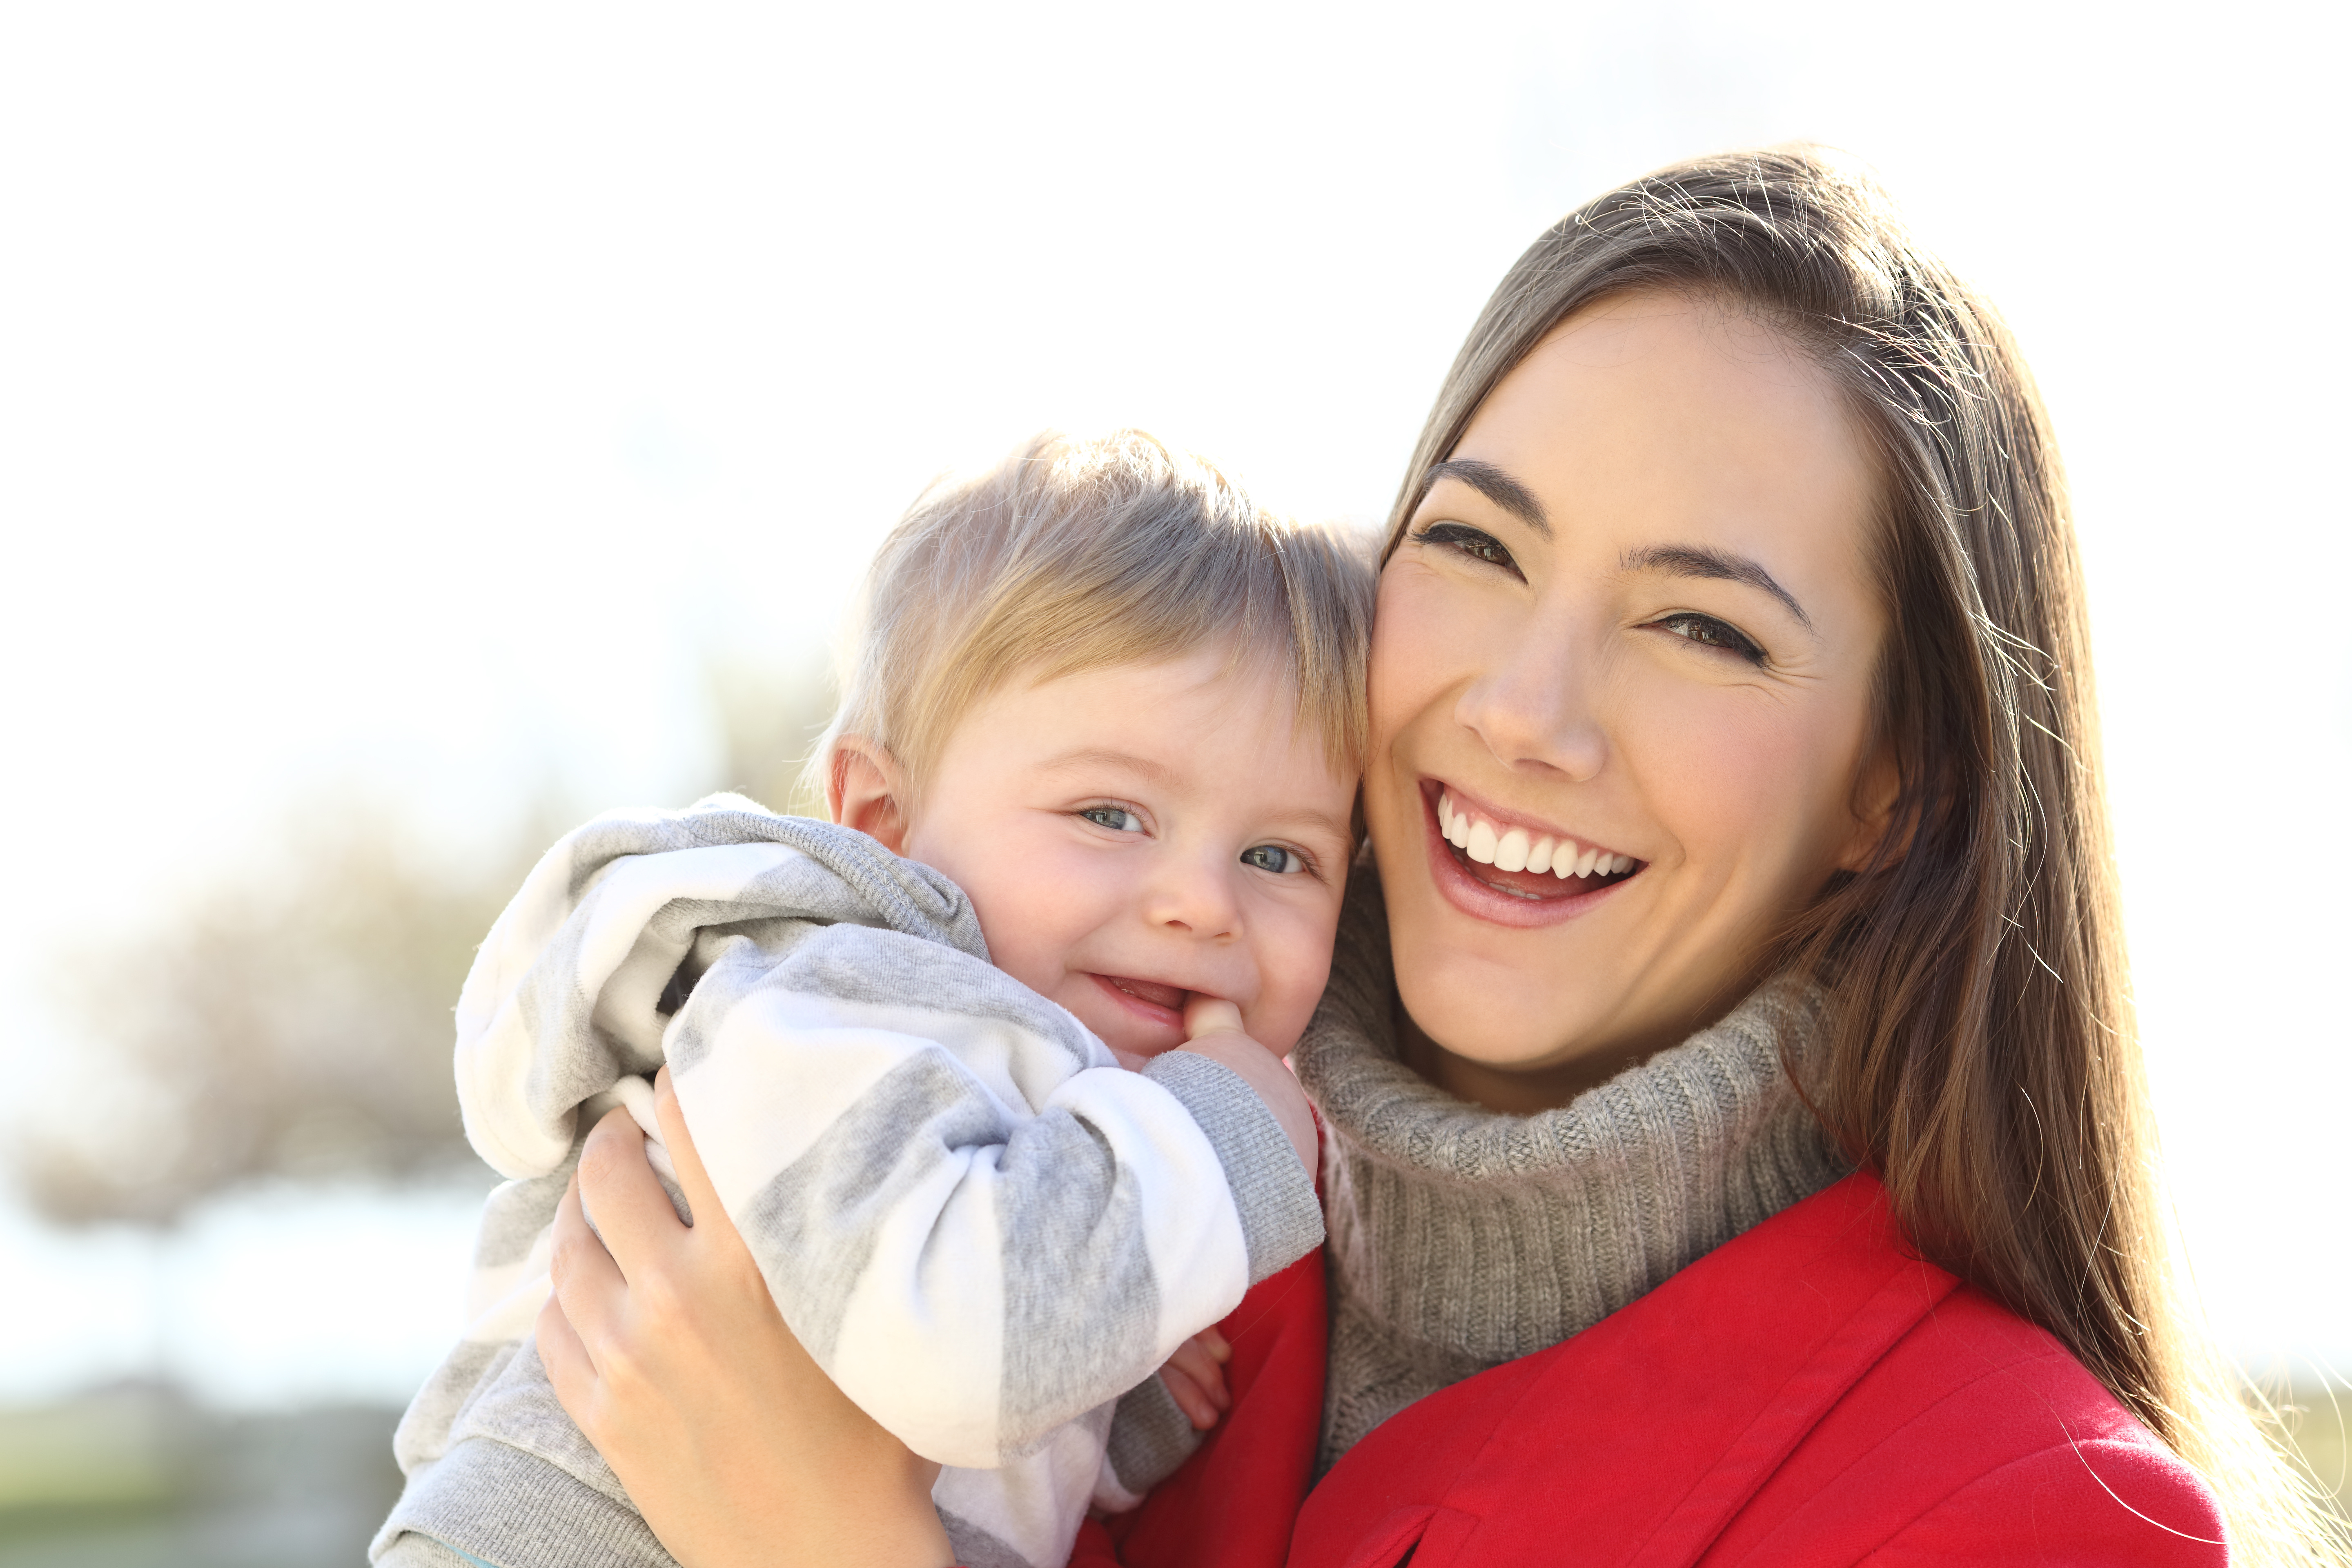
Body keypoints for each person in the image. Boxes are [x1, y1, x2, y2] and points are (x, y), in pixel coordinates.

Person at [532, 150, 2351, 1566]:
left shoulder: (2014, 1508)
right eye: (1477, 547)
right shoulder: (1082, 1191)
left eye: (1702, 628)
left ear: (1895, 784)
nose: (1527, 713)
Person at [371, 430, 1377, 1568]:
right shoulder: (838, 1006)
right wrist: (1219, 1141)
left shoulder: (1018, 1101)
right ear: (886, 822)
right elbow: (954, 1354)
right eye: (1110, 815)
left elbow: (945, 1411)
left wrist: (1126, 1383)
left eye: (1280, 857)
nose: (1203, 904)